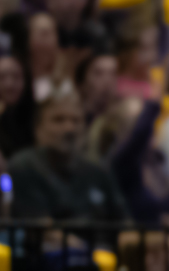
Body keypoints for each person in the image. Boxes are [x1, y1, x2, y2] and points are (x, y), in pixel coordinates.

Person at [7, 88, 129, 222]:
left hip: (103, 242)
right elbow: (41, 230)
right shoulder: (24, 167)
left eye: (76, 121)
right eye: (58, 120)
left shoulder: (98, 171)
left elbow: (125, 225)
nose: (69, 128)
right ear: (38, 128)